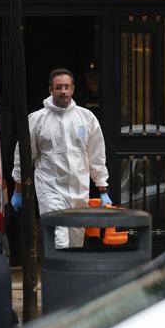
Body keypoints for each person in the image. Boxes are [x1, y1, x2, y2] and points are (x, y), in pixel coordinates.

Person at [11, 67, 110, 249]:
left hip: (79, 190)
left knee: (75, 243)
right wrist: (18, 189)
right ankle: (58, 276)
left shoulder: (86, 118)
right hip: (50, 188)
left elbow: (96, 154)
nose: (63, 91)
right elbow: (23, 155)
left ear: (72, 88)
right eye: (58, 87)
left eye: (66, 87)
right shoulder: (36, 120)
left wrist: (102, 189)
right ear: (51, 89)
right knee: (60, 238)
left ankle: (69, 278)